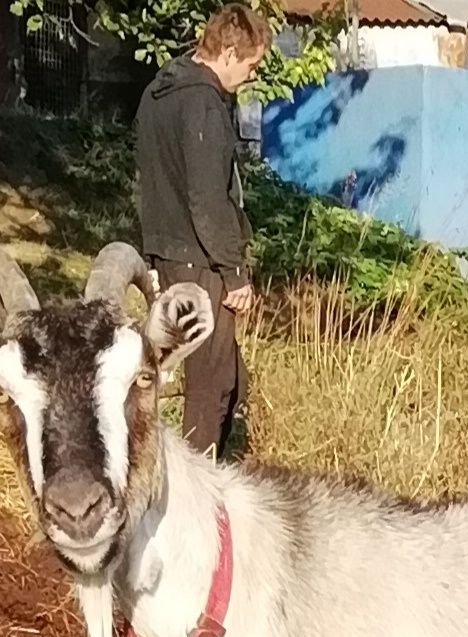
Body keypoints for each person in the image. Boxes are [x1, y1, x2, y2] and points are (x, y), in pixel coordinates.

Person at [134, 3, 271, 460]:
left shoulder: (159, 90)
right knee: (211, 387)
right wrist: (234, 274)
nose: (250, 76)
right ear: (230, 52)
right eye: (251, 65)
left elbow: (150, 178)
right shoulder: (205, 105)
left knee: (226, 377)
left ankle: (206, 472)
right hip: (203, 259)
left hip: (166, 252)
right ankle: (198, 490)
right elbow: (209, 199)